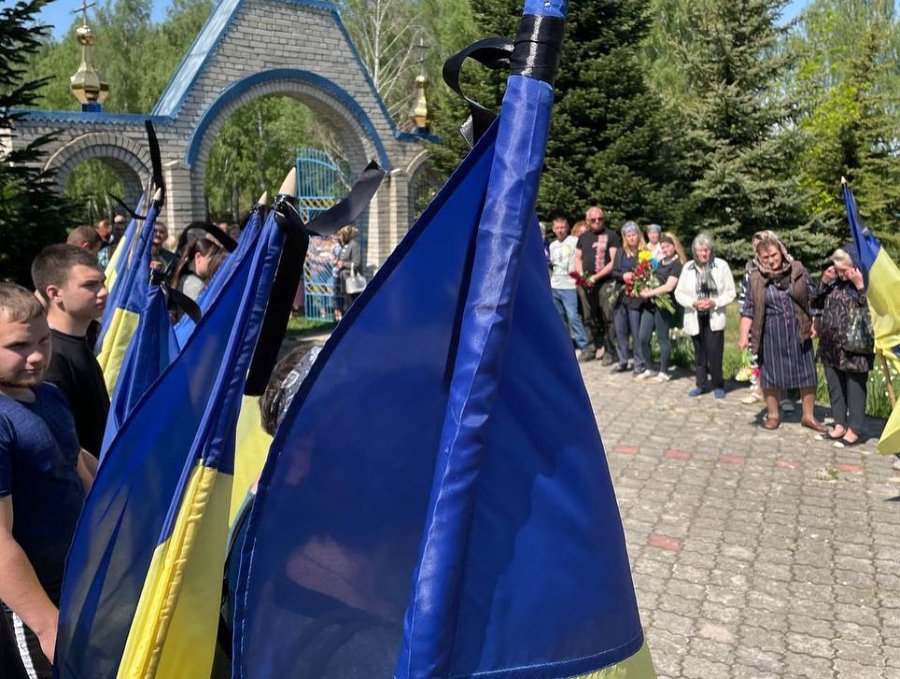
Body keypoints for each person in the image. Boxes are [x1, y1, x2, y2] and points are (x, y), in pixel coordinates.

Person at [0, 283, 95, 679]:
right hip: (38, 602)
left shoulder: (50, 394)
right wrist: (46, 624)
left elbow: (75, 463)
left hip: (82, 580)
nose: (38, 355)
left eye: (43, 340)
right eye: (19, 346)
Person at [738, 235, 825, 431]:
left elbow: (813, 298)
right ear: (759, 258)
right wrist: (743, 335)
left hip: (797, 327)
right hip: (770, 331)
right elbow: (748, 309)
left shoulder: (798, 270)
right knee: (770, 374)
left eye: (774, 255)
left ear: (782, 253)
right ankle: (773, 415)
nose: (771, 260)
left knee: (807, 372)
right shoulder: (755, 278)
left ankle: (808, 416)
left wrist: (816, 321)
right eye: (766, 257)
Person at [31, 245, 110, 458]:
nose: (104, 292)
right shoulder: (50, 357)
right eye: (90, 285)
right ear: (55, 293)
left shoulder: (79, 342)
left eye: (102, 282)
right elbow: (65, 443)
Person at [813, 247, 873, 446]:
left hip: (855, 346)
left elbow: (872, 311)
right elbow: (816, 302)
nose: (840, 274)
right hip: (831, 344)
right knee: (835, 385)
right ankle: (839, 424)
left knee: (855, 387)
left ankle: (854, 429)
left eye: (844, 270)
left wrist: (860, 286)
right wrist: (824, 282)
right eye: (837, 269)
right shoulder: (834, 283)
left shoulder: (864, 283)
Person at [675, 233, 736, 398]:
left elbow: (731, 292)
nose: (703, 254)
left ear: (711, 250)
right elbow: (679, 293)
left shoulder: (721, 266)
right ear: (695, 251)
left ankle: (718, 384)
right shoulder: (688, 267)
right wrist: (693, 303)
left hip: (714, 315)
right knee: (699, 352)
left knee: (715, 352)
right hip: (695, 315)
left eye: (706, 250)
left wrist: (715, 302)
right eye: (700, 250)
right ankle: (700, 384)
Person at [638, 232, 686, 383]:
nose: (665, 250)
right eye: (663, 247)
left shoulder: (677, 265)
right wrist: (644, 287)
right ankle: (649, 367)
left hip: (665, 305)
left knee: (662, 337)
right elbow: (651, 278)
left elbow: (669, 286)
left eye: (667, 246)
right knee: (643, 337)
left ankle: (664, 371)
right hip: (651, 303)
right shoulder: (660, 262)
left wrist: (650, 293)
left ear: (674, 246)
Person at [575, 206, 620, 364]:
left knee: (608, 316)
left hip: (605, 281)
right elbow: (578, 258)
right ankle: (591, 347)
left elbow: (613, 261)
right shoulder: (583, 237)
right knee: (588, 316)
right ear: (588, 221)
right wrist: (582, 275)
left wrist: (596, 277)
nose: (597, 222)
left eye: (600, 219)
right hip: (586, 282)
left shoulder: (611, 235)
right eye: (593, 219)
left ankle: (610, 351)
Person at [548, 217, 590, 358]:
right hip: (555, 285)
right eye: (557, 228)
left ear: (567, 228)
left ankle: (584, 345)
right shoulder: (552, 245)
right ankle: (567, 346)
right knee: (560, 318)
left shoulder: (574, 241)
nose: (560, 230)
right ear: (553, 229)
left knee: (573, 316)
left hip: (569, 285)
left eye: (562, 227)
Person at [610, 221, 648, 375]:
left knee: (636, 331)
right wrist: (623, 275)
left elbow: (648, 273)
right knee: (620, 330)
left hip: (636, 297)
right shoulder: (620, 252)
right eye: (628, 235)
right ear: (624, 237)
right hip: (620, 295)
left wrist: (636, 277)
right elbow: (614, 271)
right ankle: (623, 360)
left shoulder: (644, 252)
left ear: (638, 236)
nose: (632, 238)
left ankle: (639, 362)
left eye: (634, 235)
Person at [171, 237, 224, 302]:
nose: (214, 263)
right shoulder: (193, 285)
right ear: (198, 257)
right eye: (211, 259)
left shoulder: (188, 279)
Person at [334, 225, 362, 319]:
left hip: (351, 280)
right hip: (343, 280)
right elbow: (342, 258)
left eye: (340, 235)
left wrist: (343, 264)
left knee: (351, 305)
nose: (338, 237)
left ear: (345, 235)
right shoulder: (344, 245)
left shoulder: (354, 245)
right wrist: (337, 262)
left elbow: (356, 263)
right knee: (345, 303)